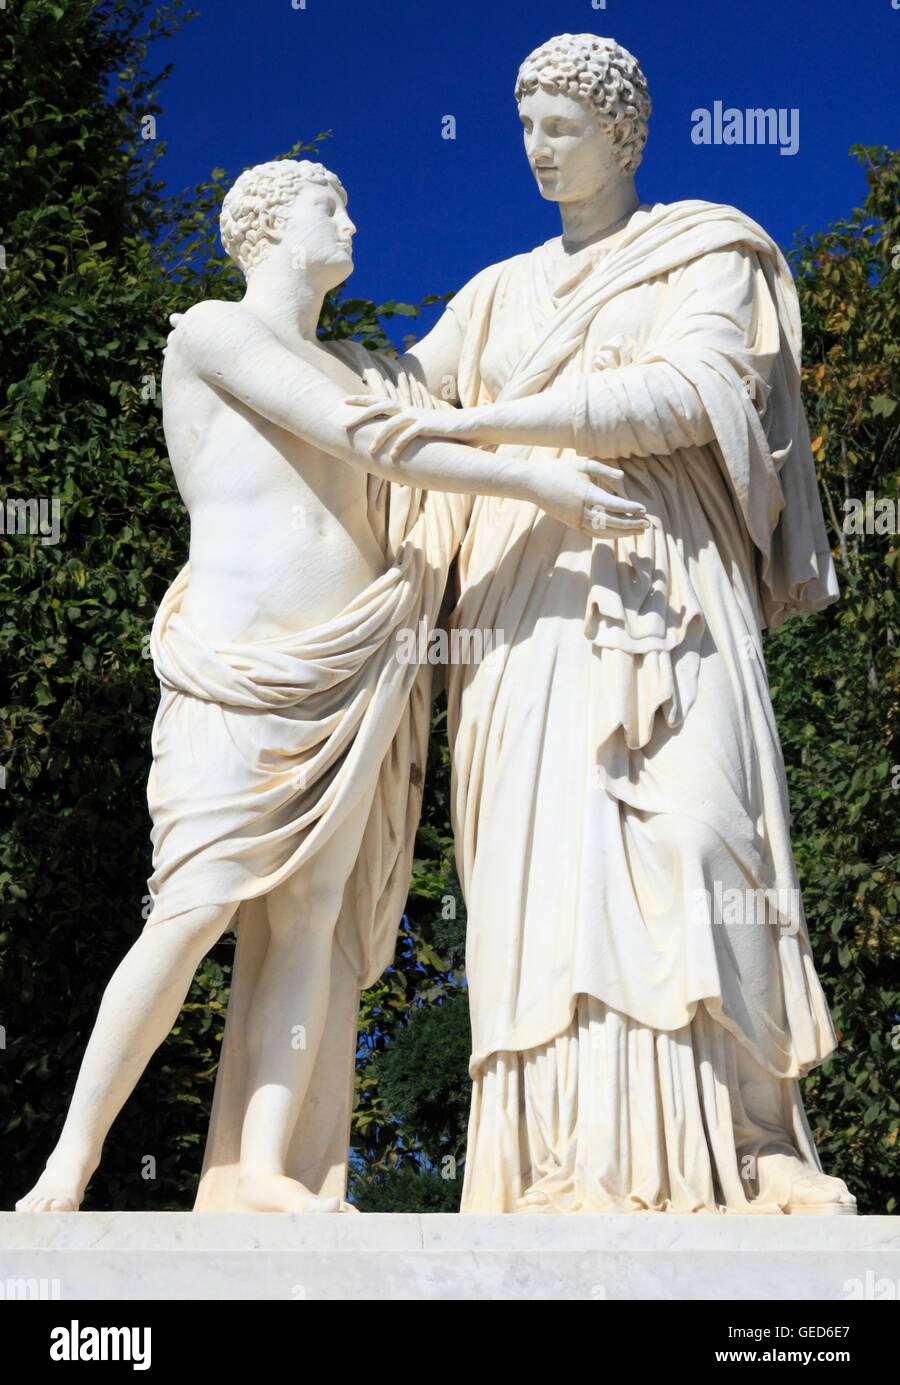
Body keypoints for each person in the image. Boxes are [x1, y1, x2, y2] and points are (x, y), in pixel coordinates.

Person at [17, 157, 643, 1214]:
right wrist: (534, 475)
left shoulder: (363, 362)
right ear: (263, 222)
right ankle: (68, 1165)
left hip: (354, 671)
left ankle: (262, 1167)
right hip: (239, 669)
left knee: (310, 923)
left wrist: (588, 274)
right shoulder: (213, 332)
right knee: (191, 909)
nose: (352, 218)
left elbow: (452, 375)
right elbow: (374, 438)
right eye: (329, 204)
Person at [353, 34, 857, 1214]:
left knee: (700, 838)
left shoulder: (706, 250)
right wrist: (265, 342)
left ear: (624, 132)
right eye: (523, 124)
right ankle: (557, 1160)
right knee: (547, 878)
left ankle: (749, 1137)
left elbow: (696, 392)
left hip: (667, 583)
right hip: (523, 610)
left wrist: (492, 429)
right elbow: (387, 406)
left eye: (561, 125)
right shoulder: (490, 295)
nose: (536, 147)